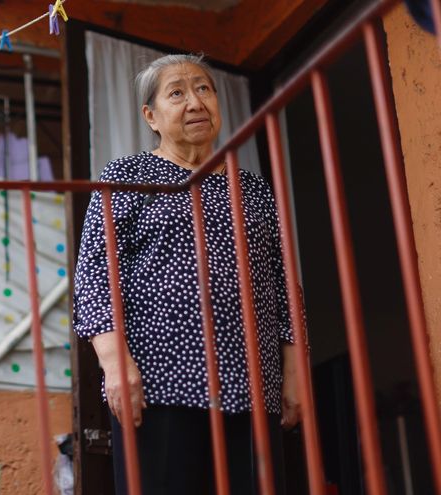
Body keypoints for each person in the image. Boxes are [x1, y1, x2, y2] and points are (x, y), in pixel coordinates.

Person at [73, 54, 303, 494]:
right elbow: (95, 275)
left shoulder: (251, 187)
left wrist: (294, 370)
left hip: (253, 385)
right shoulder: (129, 175)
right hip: (160, 384)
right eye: (177, 93)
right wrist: (115, 364)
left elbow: (283, 279)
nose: (195, 102)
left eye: (203, 89)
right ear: (151, 116)